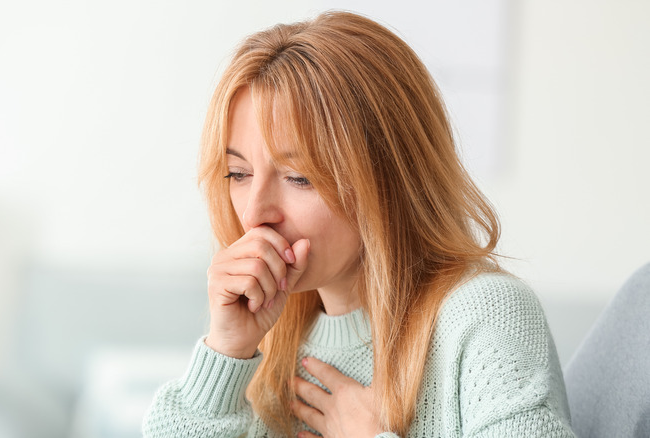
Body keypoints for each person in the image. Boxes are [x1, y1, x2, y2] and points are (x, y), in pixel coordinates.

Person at [143, 10, 574, 438]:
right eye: (239, 174)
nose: (255, 214)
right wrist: (226, 354)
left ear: (388, 177)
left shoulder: (485, 316)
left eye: (299, 178)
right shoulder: (270, 337)